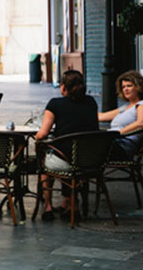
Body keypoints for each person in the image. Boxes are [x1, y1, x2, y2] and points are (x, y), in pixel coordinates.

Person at [35, 70, 99, 221]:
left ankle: (48, 205)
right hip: (90, 160)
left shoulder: (55, 104)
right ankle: (71, 203)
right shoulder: (91, 102)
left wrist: (38, 138)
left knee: (45, 161)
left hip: (66, 161)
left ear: (63, 88)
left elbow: (43, 133)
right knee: (70, 156)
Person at [99, 70, 143, 163]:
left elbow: (141, 123)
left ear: (138, 87)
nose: (125, 89)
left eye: (129, 86)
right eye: (123, 87)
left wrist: (117, 133)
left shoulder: (140, 105)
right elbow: (101, 117)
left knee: (86, 147)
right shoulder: (125, 108)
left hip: (123, 146)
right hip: (113, 142)